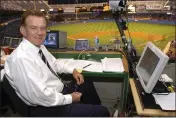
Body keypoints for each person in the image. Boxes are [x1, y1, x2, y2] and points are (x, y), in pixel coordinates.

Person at [3, 10, 110, 117]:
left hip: (57, 93)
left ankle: (89, 109)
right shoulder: (21, 59)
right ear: (23, 30)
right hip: (45, 107)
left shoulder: (39, 47)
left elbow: (55, 64)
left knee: (86, 83)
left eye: (43, 28)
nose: (40, 33)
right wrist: (70, 98)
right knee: (103, 112)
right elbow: (40, 96)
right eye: (33, 28)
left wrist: (72, 70)